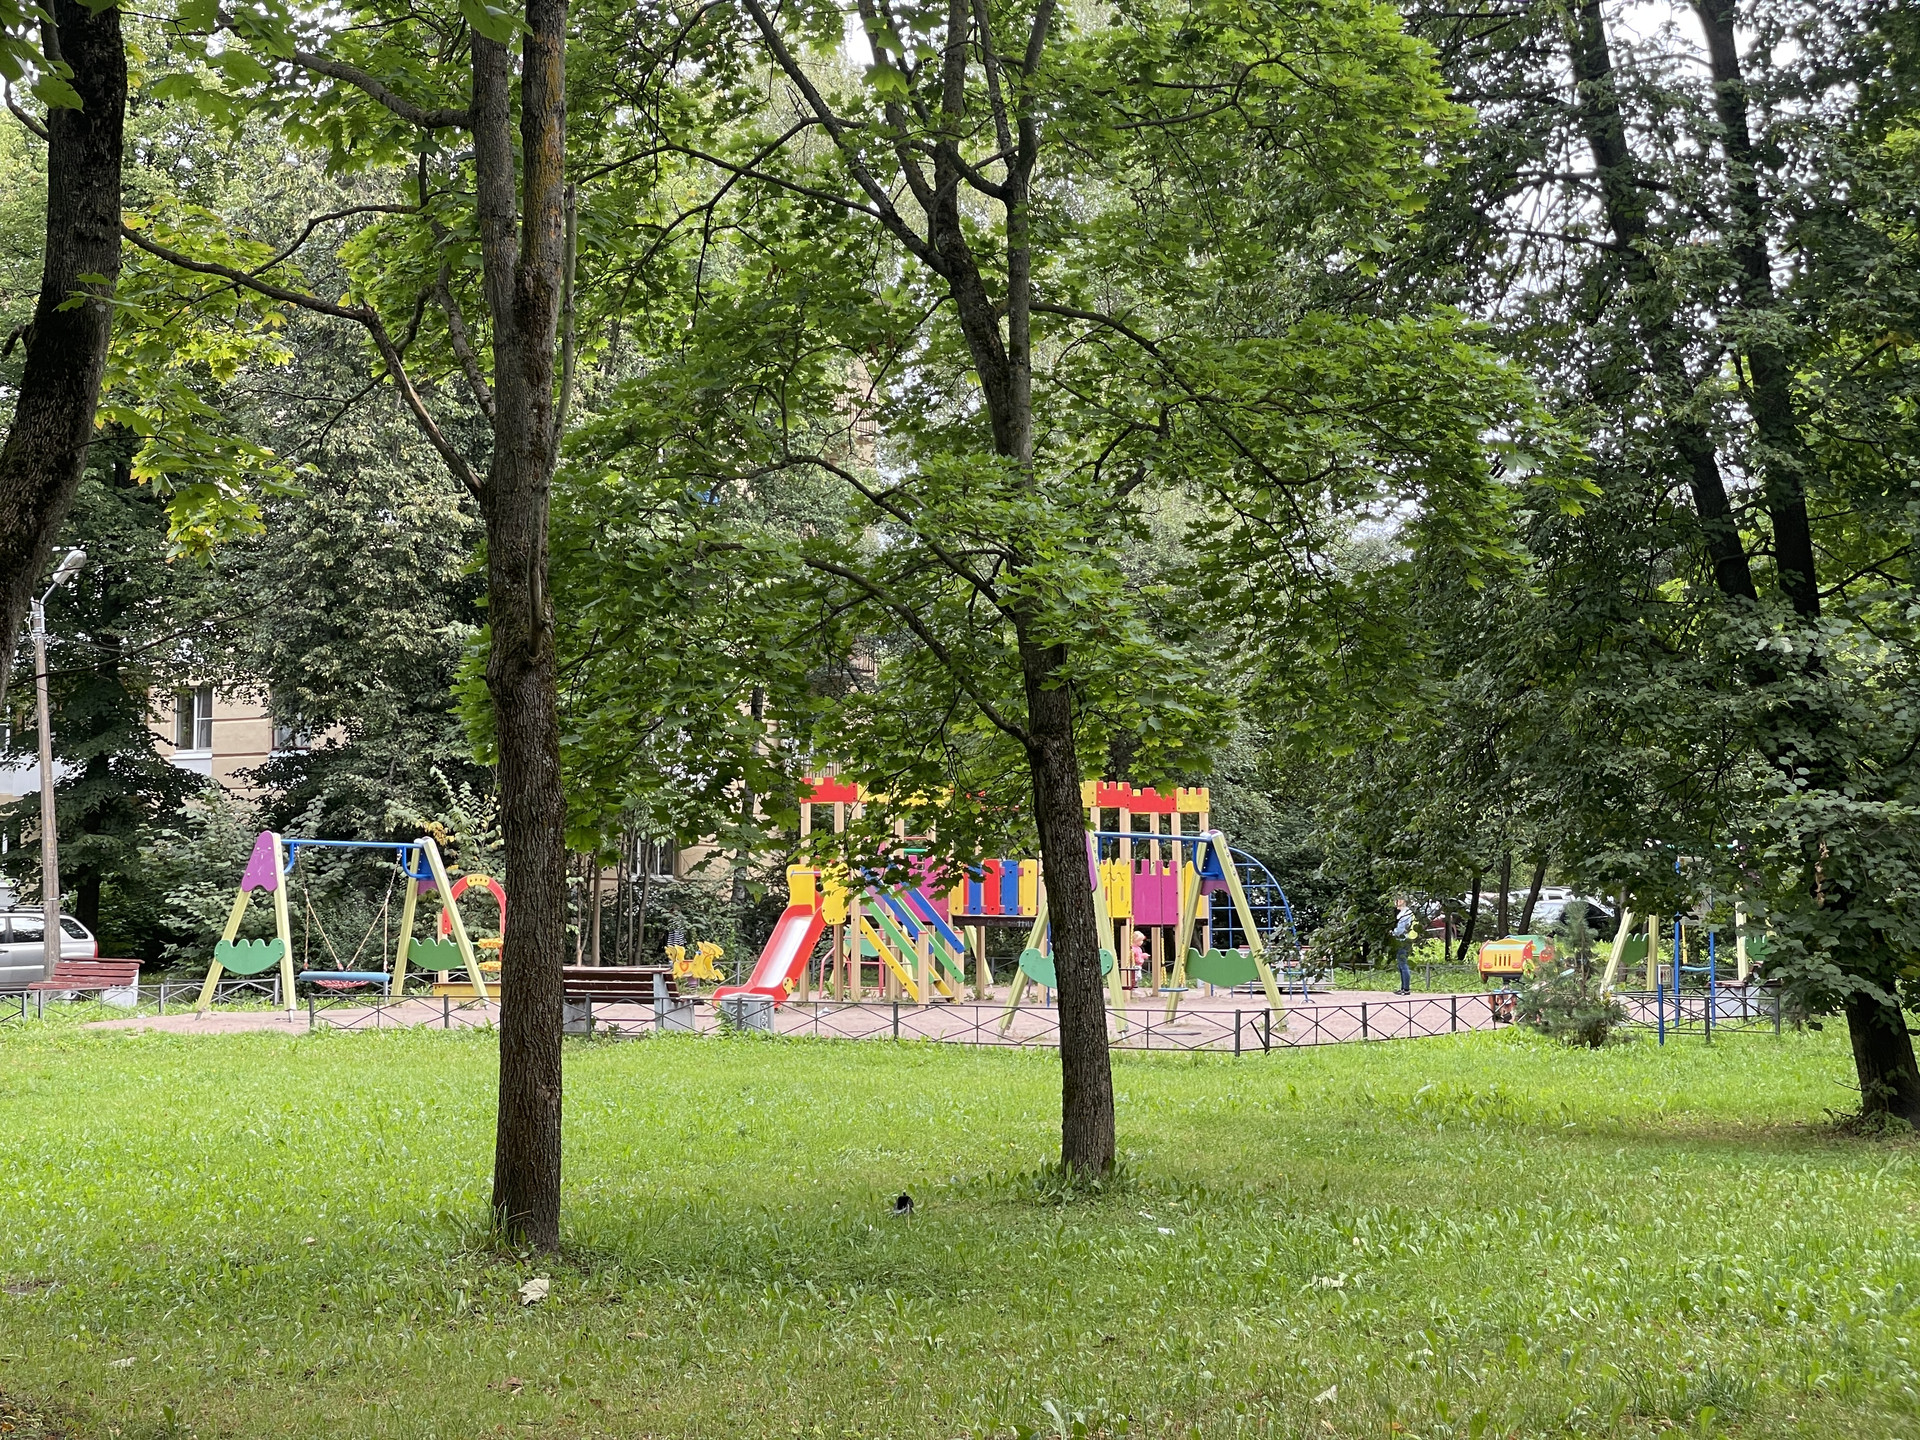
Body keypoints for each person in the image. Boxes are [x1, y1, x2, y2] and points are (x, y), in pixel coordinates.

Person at [1393, 898, 1415, 995]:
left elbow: (1400, 930)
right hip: (1403, 940)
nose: (1396, 902)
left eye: (1398, 899)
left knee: (1403, 964)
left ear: (1403, 901)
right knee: (1401, 964)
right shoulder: (1403, 912)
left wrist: (1392, 933)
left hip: (1402, 940)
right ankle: (1403, 988)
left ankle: (1406, 988)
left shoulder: (1405, 913)